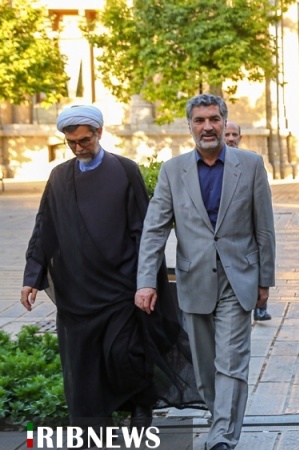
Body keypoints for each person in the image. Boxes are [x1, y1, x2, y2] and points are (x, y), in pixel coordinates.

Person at [21, 105, 200, 428]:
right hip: (78, 293)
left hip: (121, 288)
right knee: (85, 365)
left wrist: (146, 280)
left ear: (99, 133)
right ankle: (93, 427)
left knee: (125, 354)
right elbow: (45, 227)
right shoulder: (59, 177)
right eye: (71, 142)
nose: (78, 148)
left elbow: (144, 230)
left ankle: (140, 406)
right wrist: (32, 276)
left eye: (84, 140)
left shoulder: (124, 170)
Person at [136, 94, 276, 450]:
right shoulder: (172, 171)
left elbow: (264, 227)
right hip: (194, 279)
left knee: (231, 361)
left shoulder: (251, 165)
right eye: (200, 120)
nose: (208, 127)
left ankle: (223, 436)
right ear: (190, 126)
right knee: (206, 366)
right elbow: (154, 230)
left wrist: (265, 280)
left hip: (237, 279)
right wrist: (146, 282)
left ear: (224, 121)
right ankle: (219, 417)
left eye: (214, 119)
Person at [224, 119, 271, 321]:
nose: (231, 138)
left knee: (258, 264)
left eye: (234, 135)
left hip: (250, 231)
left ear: (240, 137)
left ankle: (260, 308)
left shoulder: (252, 162)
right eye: (227, 134)